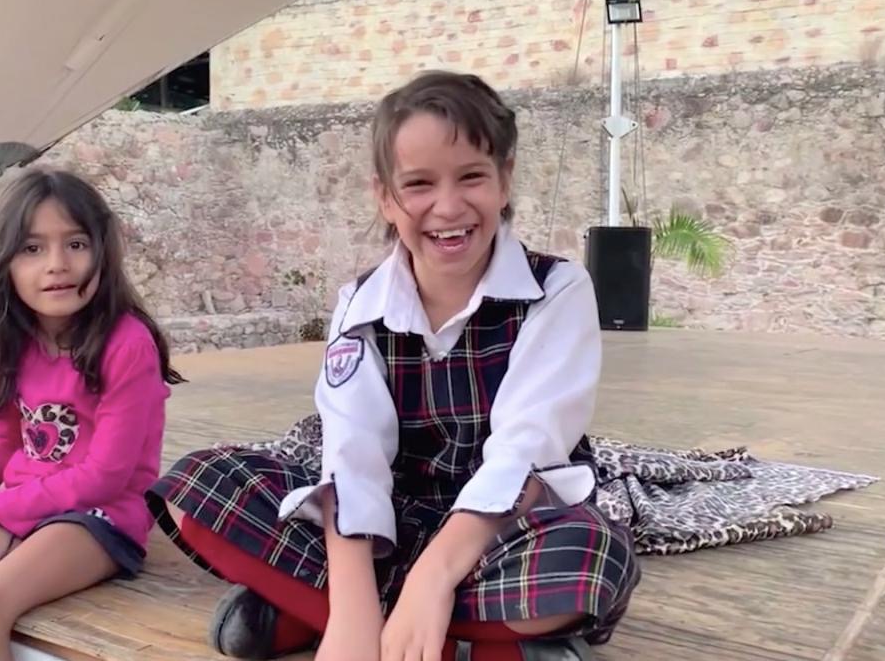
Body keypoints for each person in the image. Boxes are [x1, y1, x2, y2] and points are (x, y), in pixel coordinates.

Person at [148, 71, 640, 661]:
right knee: (197, 485)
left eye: (472, 177)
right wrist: (352, 612)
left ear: (504, 179)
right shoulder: (360, 304)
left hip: (501, 530)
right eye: (419, 183)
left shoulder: (555, 289)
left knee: (591, 555)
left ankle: (308, 608)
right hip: (387, 524)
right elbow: (352, 456)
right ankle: (451, 636)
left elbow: (527, 453)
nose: (448, 206)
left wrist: (433, 579)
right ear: (385, 196)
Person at [0, 168, 182, 661]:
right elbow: (1, 438)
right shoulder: (16, 339)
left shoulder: (127, 344)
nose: (57, 264)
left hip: (101, 517)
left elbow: (105, 476)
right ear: (5, 263)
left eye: (76, 244)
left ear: (103, 252)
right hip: (20, 505)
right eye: (32, 248)